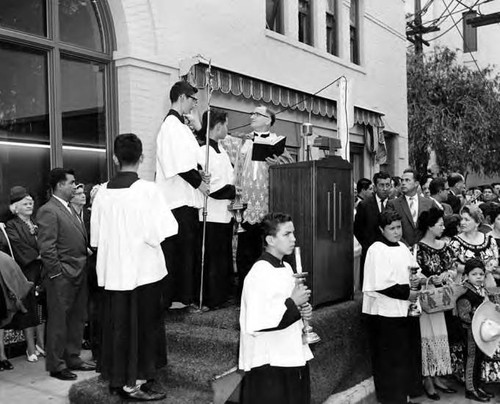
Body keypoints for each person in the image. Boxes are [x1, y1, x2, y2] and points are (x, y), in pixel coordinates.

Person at [91, 133, 178, 401]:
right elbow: (167, 229)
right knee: (143, 328)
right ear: (141, 158)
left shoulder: (102, 192)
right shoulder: (148, 190)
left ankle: (119, 379)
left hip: (114, 275)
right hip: (143, 272)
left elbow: (95, 239)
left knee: (118, 328)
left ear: (115, 158)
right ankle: (136, 383)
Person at [239, 212, 313, 404]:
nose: (294, 239)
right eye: (287, 234)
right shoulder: (258, 273)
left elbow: (287, 309)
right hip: (270, 363)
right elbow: (259, 321)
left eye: (293, 233)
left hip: (289, 353)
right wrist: (294, 304)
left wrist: (302, 312)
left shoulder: (287, 269)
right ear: (270, 239)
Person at [222, 105, 293, 293]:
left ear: (268, 120)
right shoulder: (243, 141)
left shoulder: (278, 142)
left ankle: (268, 291)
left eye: (256, 114)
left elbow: (291, 168)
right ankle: (244, 292)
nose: (251, 116)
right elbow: (221, 141)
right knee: (245, 250)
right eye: (251, 113)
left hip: (267, 203)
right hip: (245, 204)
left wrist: (277, 164)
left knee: (266, 248)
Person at [156, 80, 209, 310]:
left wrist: (199, 174)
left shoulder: (181, 126)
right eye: (193, 100)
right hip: (176, 200)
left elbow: (193, 158)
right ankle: (176, 298)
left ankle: (182, 298)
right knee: (179, 252)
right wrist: (200, 184)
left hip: (184, 198)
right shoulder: (170, 125)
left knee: (187, 251)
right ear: (182, 97)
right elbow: (178, 163)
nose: (193, 105)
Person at [37, 168, 94, 380]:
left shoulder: (70, 209)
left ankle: (72, 357)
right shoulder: (48, 210)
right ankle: (56, 365)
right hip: (62, 277)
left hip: (79, 272)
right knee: (59, 322)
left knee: (77, 320)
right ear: (60, 185)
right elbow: (47, 247)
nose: (75, 186)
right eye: (71, 183)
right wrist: (57, 274)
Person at [362, 209, 420, 404]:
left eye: (399, 227)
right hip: (384, 314)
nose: (397, 232)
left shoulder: (403, 247)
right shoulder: (376, 249)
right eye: (391, 228)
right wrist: (408, 294)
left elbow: (412, 273)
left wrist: (419, 282)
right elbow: (381, 284)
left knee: (404, 358)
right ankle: (391, 399)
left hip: (403, 311)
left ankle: (404, 397)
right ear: (381, 229)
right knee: (389, 361)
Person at [416, 208, 456, 400]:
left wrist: (448, 274)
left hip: (446, 299)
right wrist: (431, 279)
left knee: (442, 336)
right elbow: (415, 274)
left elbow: (454, 266)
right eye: (439, 224)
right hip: (429, 301)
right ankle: (428, 379)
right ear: (430, 226)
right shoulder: (419, 248)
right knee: (429, 338)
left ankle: (438, 374)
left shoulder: (445, 245)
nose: (443, 227)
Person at [197, 109, 235, 310]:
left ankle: (221, 295)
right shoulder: (204, 151)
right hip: (210, 214)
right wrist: (235, 191)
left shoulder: (221, 149)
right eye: (226, 125)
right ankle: (212, 299)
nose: (228, 129)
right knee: (212, 259)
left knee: (223, 258)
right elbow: (210, 187)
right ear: (218, 125)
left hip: (225, 214)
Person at [6, 186, 46, 363]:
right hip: (26, 271)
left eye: (31, 203)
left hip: (43, 270)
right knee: (28, 310)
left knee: (43, 308)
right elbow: (17, 246)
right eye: (25, 203)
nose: (30, 205)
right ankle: (30, 347)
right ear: (15, 207)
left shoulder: (38, 222)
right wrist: (38, 254)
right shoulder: (11, 225)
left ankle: (42, 344)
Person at [456, 259, 493, 402]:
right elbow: (463, 315)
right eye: (474, 274)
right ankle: (470, 389)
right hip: (470, 331)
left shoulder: (481, 290)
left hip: (479, 330)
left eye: (481, 274)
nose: (478, 277)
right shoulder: (465, 291)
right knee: (471, 359)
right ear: (466, 275)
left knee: (479, 358)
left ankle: (477, 386)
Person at [354, 171, 391, 283]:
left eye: (387, 185)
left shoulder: (395, 204)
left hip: (390, 254)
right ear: (375, 187)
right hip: (371, 253)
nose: (385, 188)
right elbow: (357, 230)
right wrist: (368, 246)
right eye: (381, 185)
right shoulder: (364, 205)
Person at [449, 205, 499, 287]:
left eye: (467, 220)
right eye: (461, 219)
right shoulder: (455, 241)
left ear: (477, 223)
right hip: (464, 285)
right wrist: (475, 270)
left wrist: (491, 267)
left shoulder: (490, 239)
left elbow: (495, 260)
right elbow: (451, 265)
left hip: (488, 284)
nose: (462, 223)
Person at [386, 168, 435, 247]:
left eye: (407, 180)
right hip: (402, 249)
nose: (403, 183)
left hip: (425, 248)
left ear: (416, 183)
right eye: (402, 180)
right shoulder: (393, 204)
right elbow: (390, 227)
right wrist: (405, 246)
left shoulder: (429, 203)